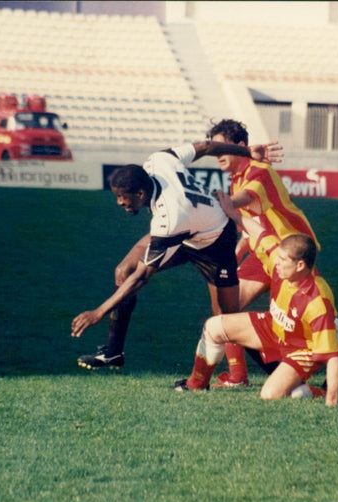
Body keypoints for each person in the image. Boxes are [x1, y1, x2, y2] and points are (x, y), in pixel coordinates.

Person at [71, 139, 283, 373]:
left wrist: (99, 312)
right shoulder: (158, 160)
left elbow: (142, 278)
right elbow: (204, 147)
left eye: (123, 197)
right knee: (124, 271)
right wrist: (246, 151)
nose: (119, 202)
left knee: (228, 317)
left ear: (141, 193)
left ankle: (280, 371)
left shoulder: (168, 219)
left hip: (215, 239)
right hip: (183, 231)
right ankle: (113, 353)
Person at [207, 119, 338, 392]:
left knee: (316, 311)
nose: (217, 155)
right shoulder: (236, 177)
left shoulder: (258, 171)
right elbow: (249, 228)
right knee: (227, 305)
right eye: (213, 148)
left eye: (221, 147)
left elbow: (242, 202)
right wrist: (233, 256)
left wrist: (218, 205)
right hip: (263, 252)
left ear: (240, 147)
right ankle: (237, 375)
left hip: (288, 253)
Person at [174, 190, 338, 407]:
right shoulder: (280, 262)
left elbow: (332, 357)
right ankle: (197, 384)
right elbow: (260, 232)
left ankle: (317, 392)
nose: (277, 262)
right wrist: (233, 214)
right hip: (273, 328)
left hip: (301, 350)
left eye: (283, 260)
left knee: (271, 395)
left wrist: (332, 402)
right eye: (278, 257)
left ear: (300, 265)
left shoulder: (317, 301)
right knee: (213, 327)